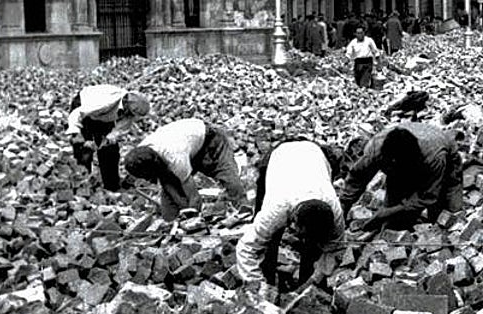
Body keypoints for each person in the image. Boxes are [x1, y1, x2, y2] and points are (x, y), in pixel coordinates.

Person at [235, 138, 345, 296]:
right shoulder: (275, 210)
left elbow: (335, 249)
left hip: (314, 154)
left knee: (315, 246)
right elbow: (246, 248)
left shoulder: (335, 211)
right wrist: (257, 286)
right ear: (294, 222)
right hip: (279, 156)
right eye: (301, 234)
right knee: (268, 238)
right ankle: (268, 281)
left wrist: (313, 281)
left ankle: (307, 290)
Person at [341, 122, 463, 232]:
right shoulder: (375, 149)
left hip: (443, 153)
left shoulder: (434, 159)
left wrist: (387, 212)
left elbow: (428, 196)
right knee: (395, 223)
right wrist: (344, 206)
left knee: (448, 217)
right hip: (412, 154)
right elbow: (357, 177)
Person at [123, 118, 246, 220]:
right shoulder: (141, 153)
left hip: (210, 139)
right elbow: (166, 183)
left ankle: (246, 214)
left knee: (228, 178)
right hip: (186, 143)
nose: (148, 180)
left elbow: (195, 198)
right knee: (169, 207)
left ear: (154, 166)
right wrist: (181, 207)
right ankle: (172, 226)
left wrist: (192, 218)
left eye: (148, 176)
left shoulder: (174, 158)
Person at [66, 85, 150, 191]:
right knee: (84, 149)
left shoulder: (128, 112)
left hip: (105, 116)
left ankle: (112, 186)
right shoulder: (106, 102)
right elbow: (77, 113)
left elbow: (119, 129)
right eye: (128, 112)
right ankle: (82, 185)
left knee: (110, 150)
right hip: (84, 107)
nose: (128, 115)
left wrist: (109, 138)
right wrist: (77, 134)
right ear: (125, 103)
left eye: (131, 114)